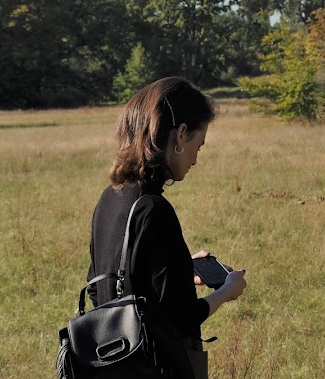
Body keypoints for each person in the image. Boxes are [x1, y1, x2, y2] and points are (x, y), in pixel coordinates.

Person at [87, 77, 247, 378]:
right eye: (199, 145)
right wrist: (227, 291)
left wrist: (179, 269)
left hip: (111, 363)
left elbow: (100, 287)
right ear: (181, 134)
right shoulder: (154, 209)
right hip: (154, 367)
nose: (196, 158)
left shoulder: (110, 197)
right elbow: (181, 317)